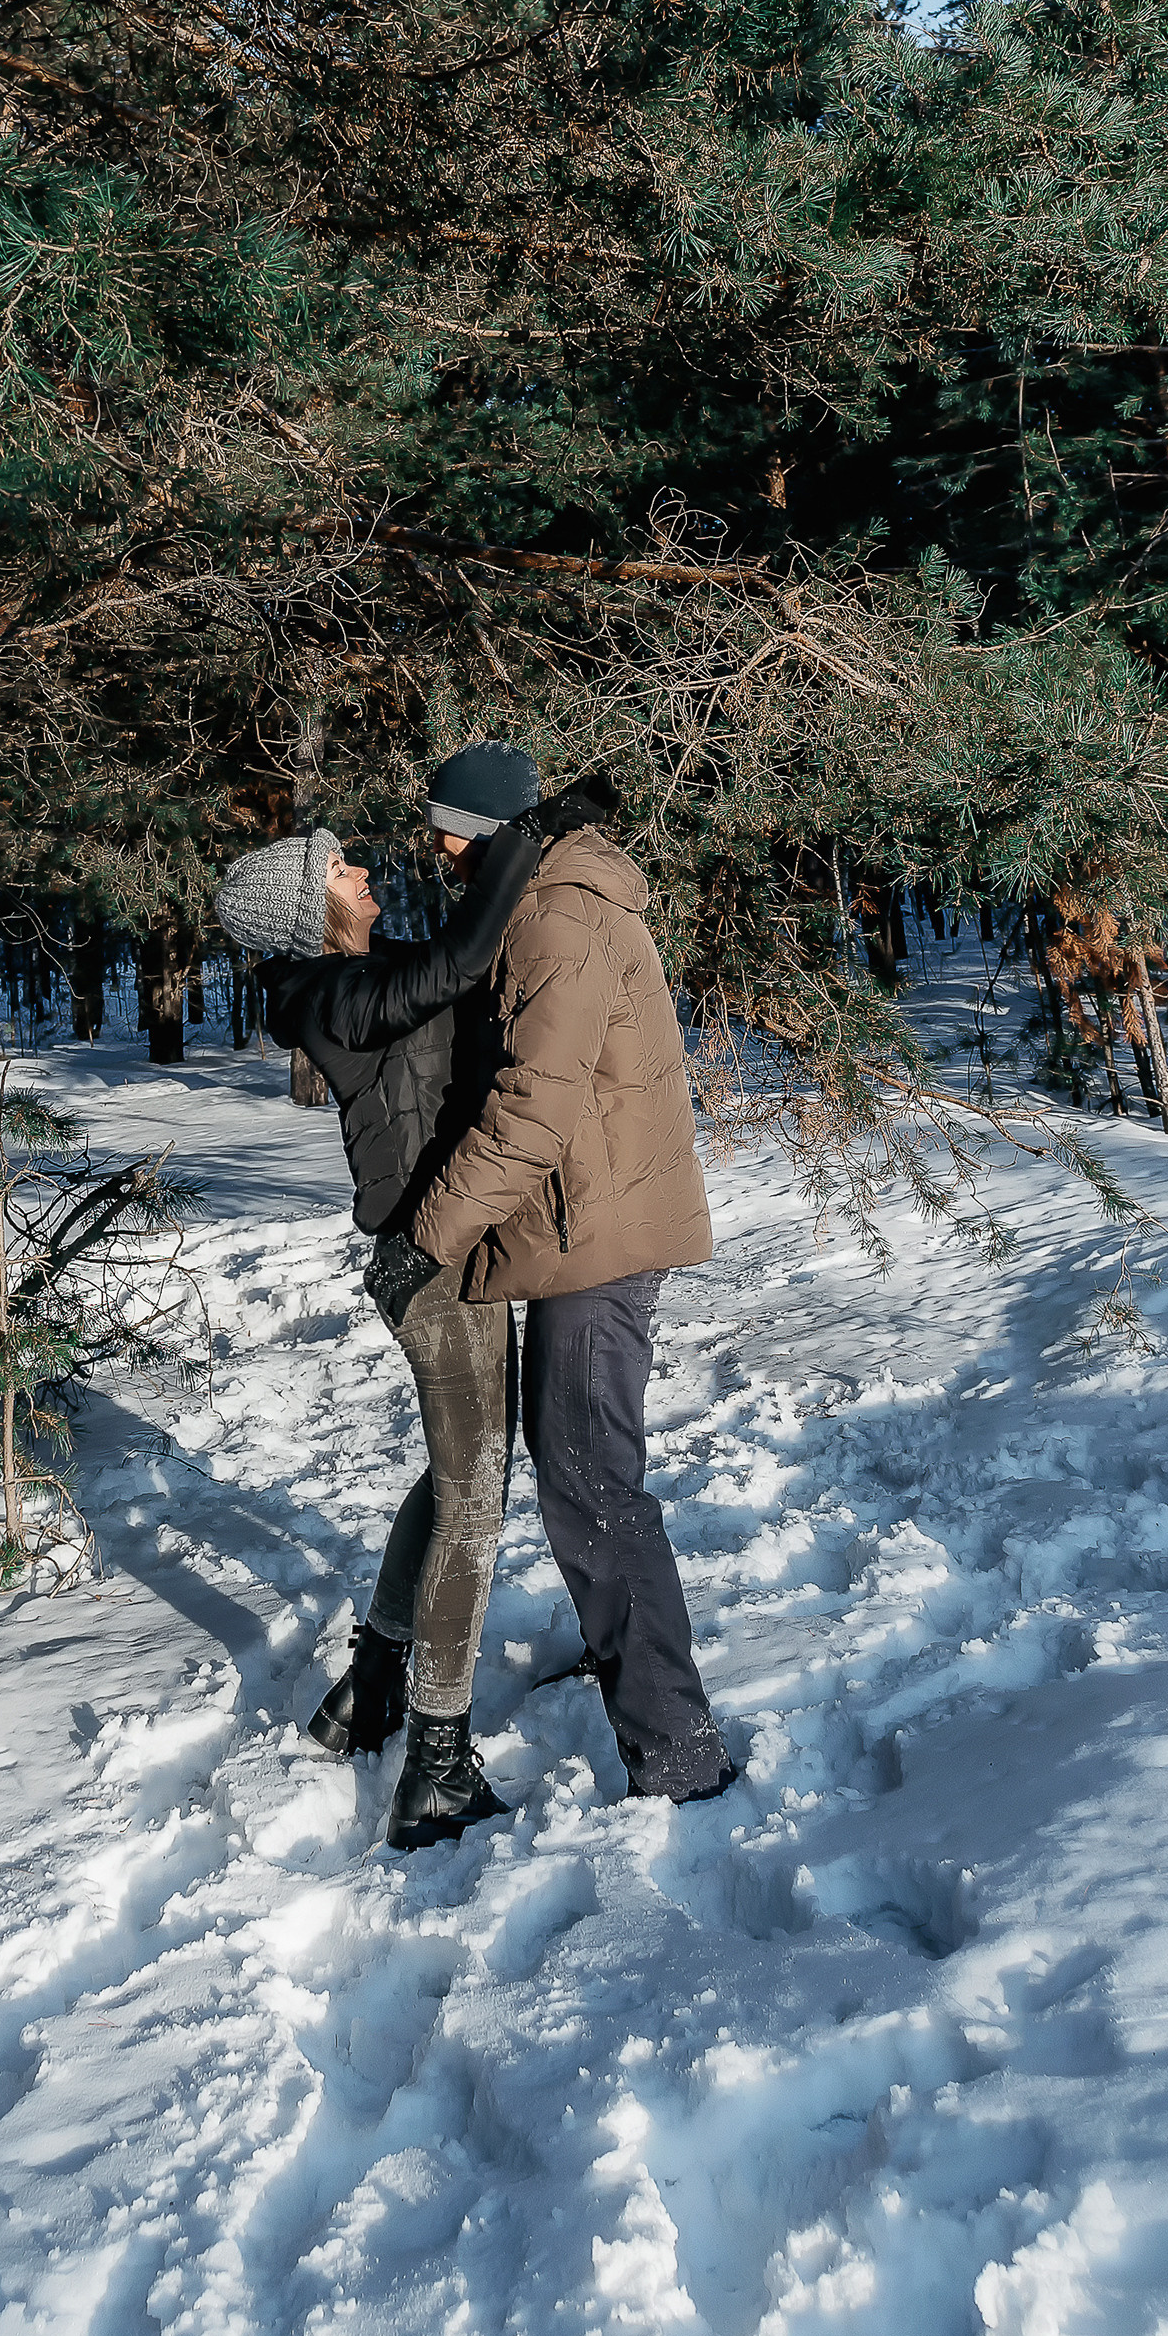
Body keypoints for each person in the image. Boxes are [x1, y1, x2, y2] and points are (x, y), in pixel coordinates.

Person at [214, 786, 542, 1848]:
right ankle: (436, 1766)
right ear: (306, 909)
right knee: (474, 1502)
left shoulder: (357, 970)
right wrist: (516, 839)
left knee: (458, 1478)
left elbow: (452, 964)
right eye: (341, 869)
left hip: (450, 1249)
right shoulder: (322, 995)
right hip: (428, 1265)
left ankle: (372, 1686)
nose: (361, 873)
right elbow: (454, 962)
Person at [409, 744, 736, 1807]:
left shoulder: (556, 915)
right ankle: (636, 1682)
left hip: (595, 1231)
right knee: (581, 1477)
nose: (438, 847)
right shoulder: (541, 896)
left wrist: (431, 1230)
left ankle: (678, 1752)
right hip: (581, 1227)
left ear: (494, 829)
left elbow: (534, 1108)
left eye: (449, 828)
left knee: (593, 1483)